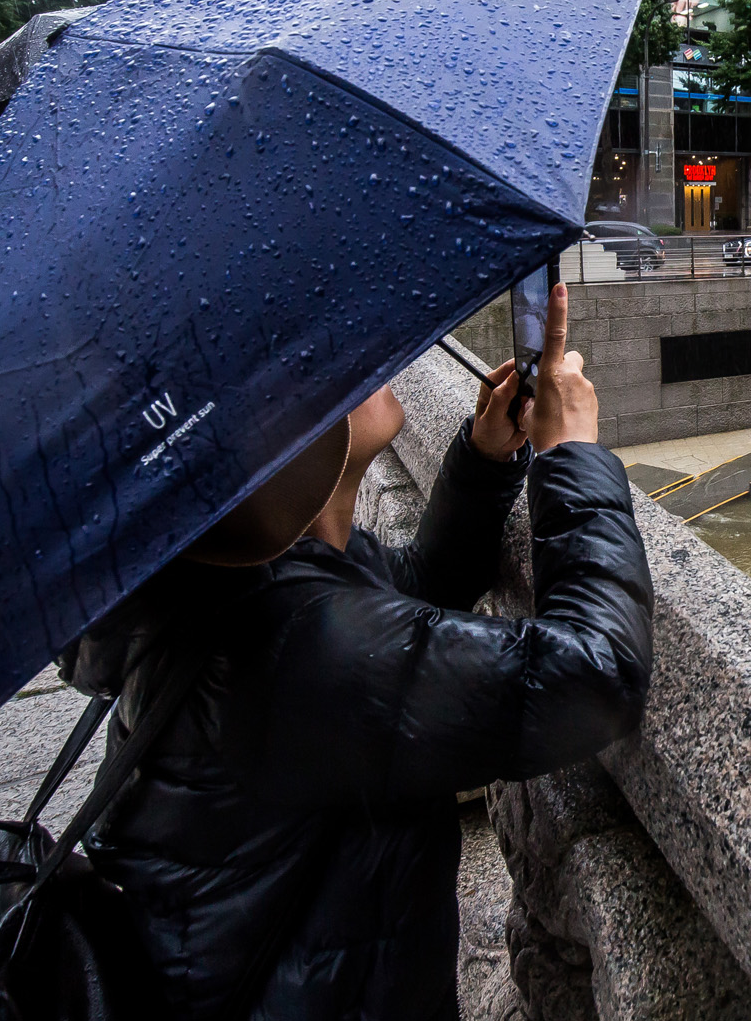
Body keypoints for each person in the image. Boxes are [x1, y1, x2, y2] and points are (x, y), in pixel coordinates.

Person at [62, 283, 652, 1019]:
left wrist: (484, 458)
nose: (369, 357)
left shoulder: (244, 571)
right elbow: (597, 674)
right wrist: (571, 459)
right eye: (327, 357)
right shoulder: (297, 644)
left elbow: (411, 594)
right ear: (274, 429)